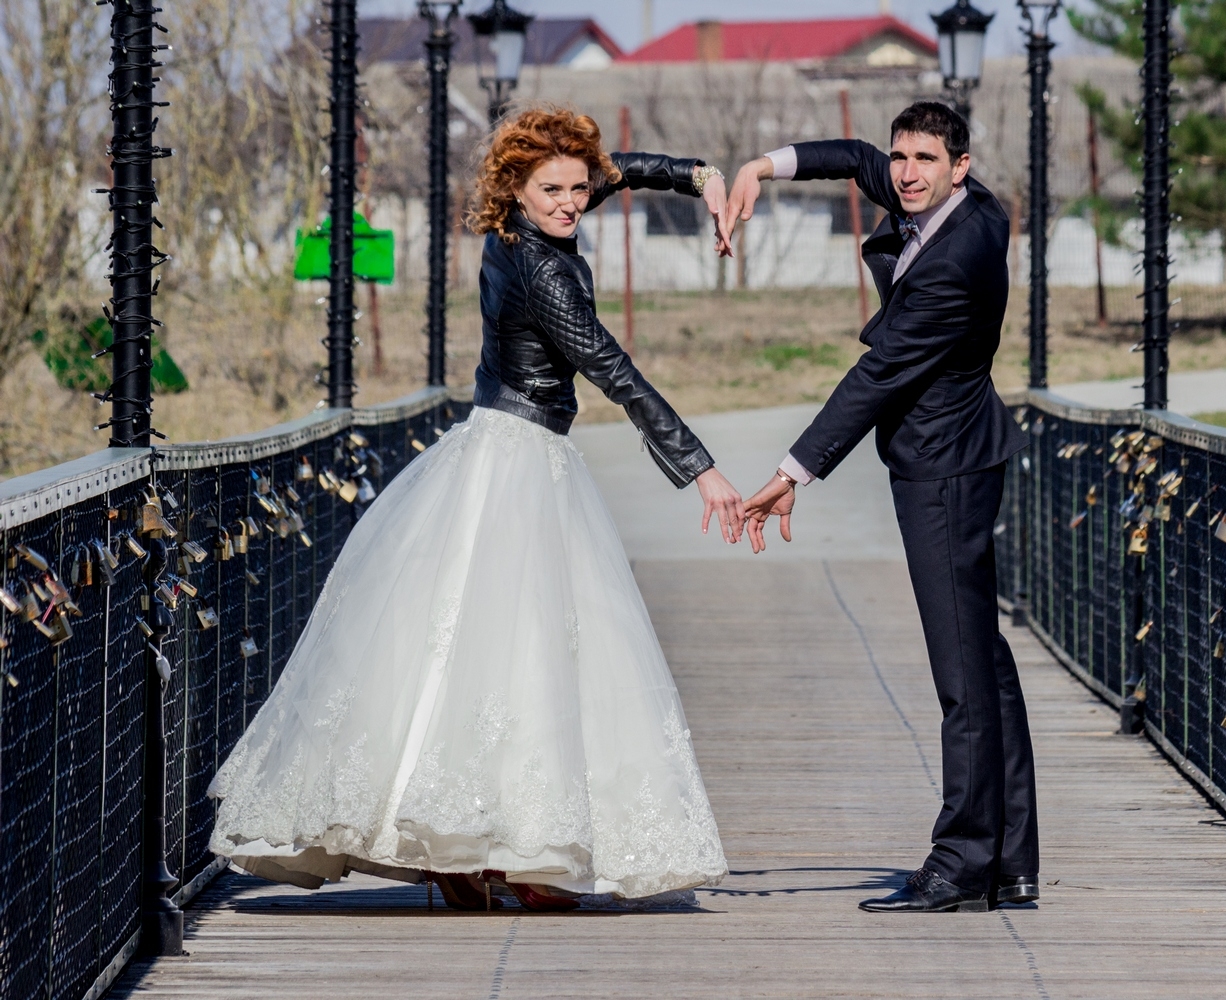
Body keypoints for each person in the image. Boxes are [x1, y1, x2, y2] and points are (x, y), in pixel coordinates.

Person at [209, 108, 744, 911]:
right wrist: (699, 467)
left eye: (577, 188)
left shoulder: (517, 227)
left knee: (491, 652)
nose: (571, 201)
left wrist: (699, 177)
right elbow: (611, 367)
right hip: (519, 462)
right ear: (517, 189)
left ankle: (475, 854)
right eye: (553, 190)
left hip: (505, 447)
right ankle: (513, 854)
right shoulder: (543, 270)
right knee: (515, 649)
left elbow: (615, 169)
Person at [725, 101, 1040, 914]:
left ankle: (962, 860)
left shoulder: (953, 262)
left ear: (959, 166)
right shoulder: (963, 205)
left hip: (943, 469)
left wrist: (793, 472)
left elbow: (877, 376)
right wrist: (762, 167)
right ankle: (1011, 857)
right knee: (982, 655)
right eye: (902, 157)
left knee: (961, 671)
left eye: (924, 160)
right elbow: (853, 156)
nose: (904, 173)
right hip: (962, 453)